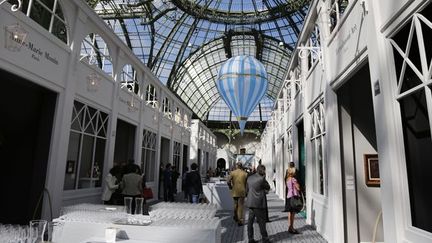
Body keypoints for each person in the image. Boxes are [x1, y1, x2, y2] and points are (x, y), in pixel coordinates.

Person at [245, 164, 271, 243]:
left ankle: (250, 239)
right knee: (261, 222)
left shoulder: (249, 178)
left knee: (250, 222)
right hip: (259, 204)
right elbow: (268, 187)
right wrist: (264, 178)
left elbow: (247, 190)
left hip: (250, 202)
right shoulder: (261, 179)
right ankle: (265, 238)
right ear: (263, 171)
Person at [285, 165, 301, 234]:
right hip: (293, 197)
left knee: (290, 213)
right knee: (293, 213)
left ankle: (290, 227)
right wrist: (298, 185)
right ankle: (292, 228)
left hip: (289, 197)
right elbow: (298, 188)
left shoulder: (287, 179)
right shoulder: (293, 179)